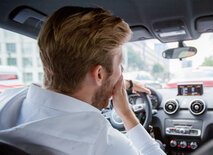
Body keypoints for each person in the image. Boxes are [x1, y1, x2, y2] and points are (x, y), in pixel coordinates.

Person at [0, 6, 166, 155]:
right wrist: (127, 115)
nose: (122, 72)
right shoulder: (105, 144)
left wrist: (123, 83)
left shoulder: (7, 100)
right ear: (99, 74)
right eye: (120, 65)